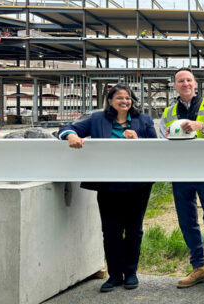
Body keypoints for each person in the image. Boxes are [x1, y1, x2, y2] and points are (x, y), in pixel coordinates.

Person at [58, 83, 155, 293]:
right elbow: (67, 128)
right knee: (110, 231)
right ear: (110, 101)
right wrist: (71, 136)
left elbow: (156, 147)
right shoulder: (97, 119)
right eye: (119, 97)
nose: (125, 101)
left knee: (133, 230)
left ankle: (131, 273)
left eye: (128, 98)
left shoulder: (143, 120)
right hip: (108, 184)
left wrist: (139, 140)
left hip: (138, 184)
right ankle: (114, 275)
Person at [159, 67, 204, 289]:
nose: (185, 84)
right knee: (187, 221)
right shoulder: (168, 112)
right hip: (180, 172)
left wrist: (201, 127)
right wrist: (167, 136)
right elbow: (161, 138)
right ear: (175, 85)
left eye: (188, 80)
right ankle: (199, 268)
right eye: (180, 81)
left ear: (195, 83)